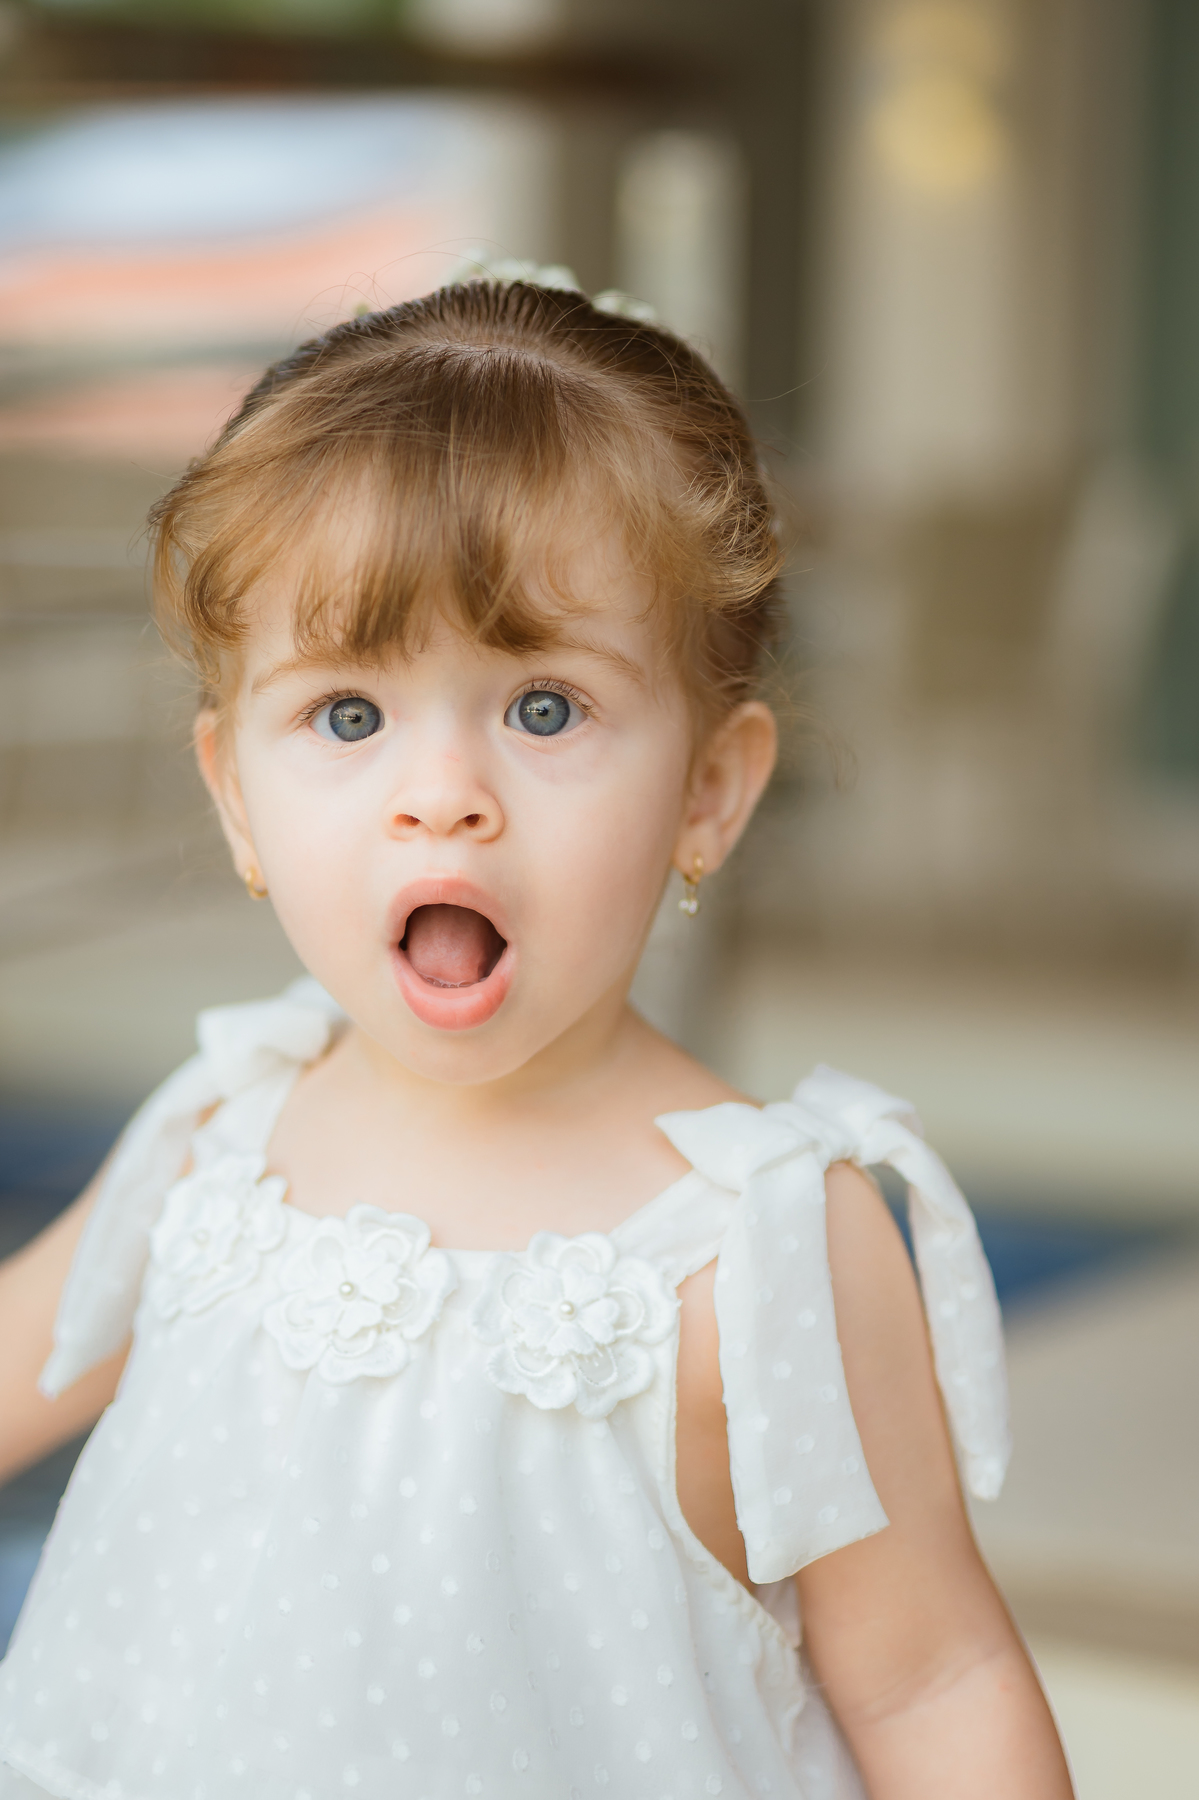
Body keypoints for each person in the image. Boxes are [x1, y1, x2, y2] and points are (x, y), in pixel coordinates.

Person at [0, 268, 1072, 1799]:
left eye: (546, 709)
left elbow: (932, 1678)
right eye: (350, 717)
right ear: (236, 792)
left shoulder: (759, 1244)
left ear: (710, 789)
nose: (444, 794)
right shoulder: (219, 1132)